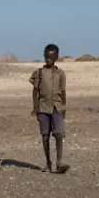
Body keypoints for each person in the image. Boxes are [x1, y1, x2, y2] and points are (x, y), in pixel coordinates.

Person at [30, 43, 68, 174]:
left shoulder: (61, 74)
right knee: (45, 135)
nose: (48, 60)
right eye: (46, 57)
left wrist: (64, 107)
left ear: (56, 57)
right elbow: (35, 91)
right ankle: (48, 162)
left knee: (58, 133)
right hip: (43, 108)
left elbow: (63, 92)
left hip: (57, 107)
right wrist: (35, 107)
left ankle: (59, 163)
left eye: (51, 57)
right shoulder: (39, 73)